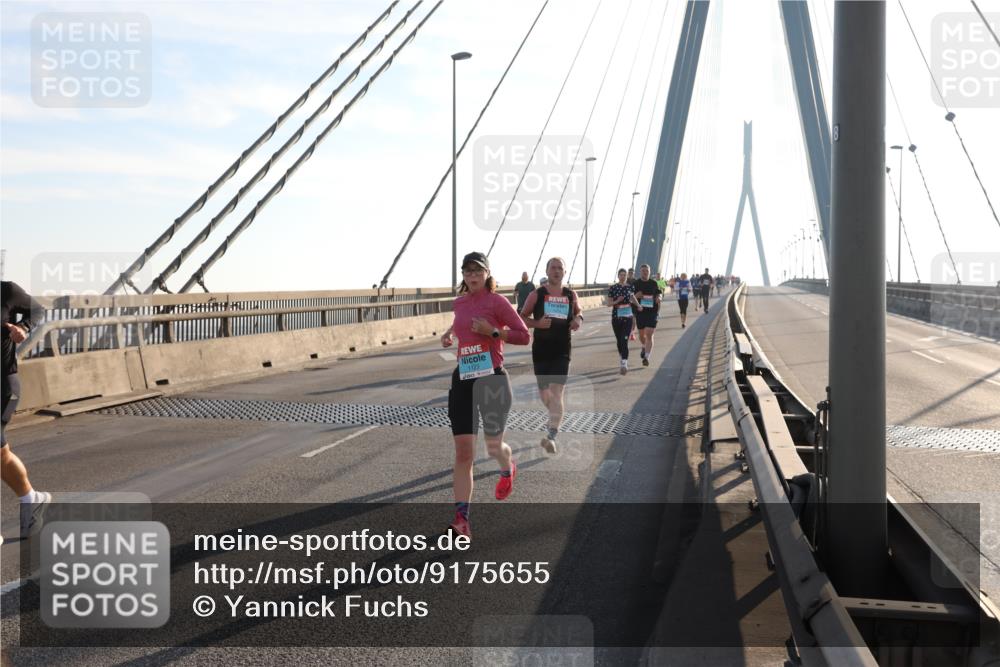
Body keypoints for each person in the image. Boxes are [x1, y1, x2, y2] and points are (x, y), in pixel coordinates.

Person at [441, 253, 530, 538]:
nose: (472, 275)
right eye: (467, 271)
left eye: (477, 271)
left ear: (487, 273)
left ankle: (508, 468)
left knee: (494, 448)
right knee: (464, 453)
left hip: (492, 379)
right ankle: (461, 520)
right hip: (464, 379)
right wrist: (450, 335)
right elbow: (461, 322)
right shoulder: (459, 303)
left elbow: (523, 334)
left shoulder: (497, 302)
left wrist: (493, 332)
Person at [1, 281, 51, 542]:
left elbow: (38, 310)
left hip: (3, 385)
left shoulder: (6, 291)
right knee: (2, 455)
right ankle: (32, 499)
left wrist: (22, 327)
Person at [520, 257, 582, 455]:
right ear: (547, 271)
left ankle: (551, 435)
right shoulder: (537, 294)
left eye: (560, 268)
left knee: (557, 394)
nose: (556, 271)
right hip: (541, 350)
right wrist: (537, 324)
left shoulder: (571, 295)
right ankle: (554, 417)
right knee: (545, 395)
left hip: (562, 349)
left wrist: (578, 319)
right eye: (553, 268)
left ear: (565, 272)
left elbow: (578, 313)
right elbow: (520, 317)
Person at [607, 269, 643, 374]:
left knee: (624, 340)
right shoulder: (613, 288)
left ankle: (624, 363)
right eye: (621, 275)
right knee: (619, 341)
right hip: (616, 317)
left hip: (628, 316)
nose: (623, 277)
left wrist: (638, 305)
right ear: (618, 276)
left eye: (625, 275)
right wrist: (617, 301)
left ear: (627, 276)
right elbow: (609, 304)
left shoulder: (630, 287)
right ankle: (622, 356)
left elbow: (632, 298)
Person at [632, 264, 662, 366]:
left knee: (649, 333)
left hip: (652, 312)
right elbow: (630, 298)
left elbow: (659, 293)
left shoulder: (653, 283)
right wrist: (637, 295)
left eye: (647, 271)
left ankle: (647, 357)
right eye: (643, 271)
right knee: (641, 335)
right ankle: (644, 346)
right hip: (640, 312)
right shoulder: (636, 284)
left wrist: (659, 297)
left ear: (649, 272)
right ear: (640, 272)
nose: (645, 272)